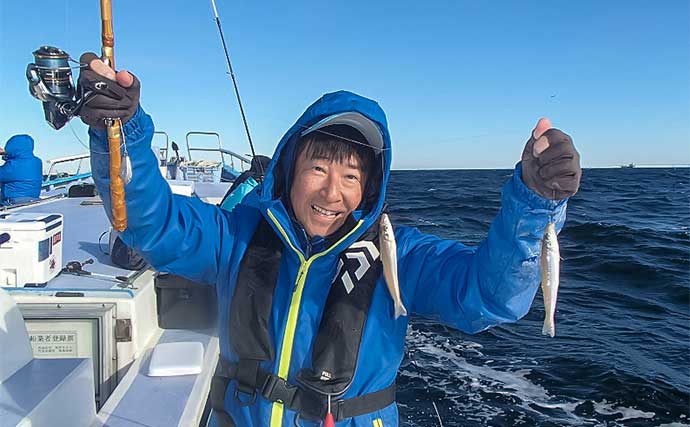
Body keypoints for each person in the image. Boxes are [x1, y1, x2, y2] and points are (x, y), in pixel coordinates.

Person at [78, 52, 581, 427]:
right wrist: (120, 131)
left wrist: (533, 204)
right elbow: (151, 223)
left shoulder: (397, 254)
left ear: (369, 189)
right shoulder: (237, 235)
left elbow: (489, 296)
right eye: (317, 168)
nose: (330, 192)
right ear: (289, 171)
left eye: (350, 177)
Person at [0, 134, 43, 205]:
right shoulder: (37, 161)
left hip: (14, 203)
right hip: (32, 200)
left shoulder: (13, 166)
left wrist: (6, 154)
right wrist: (6, 154)